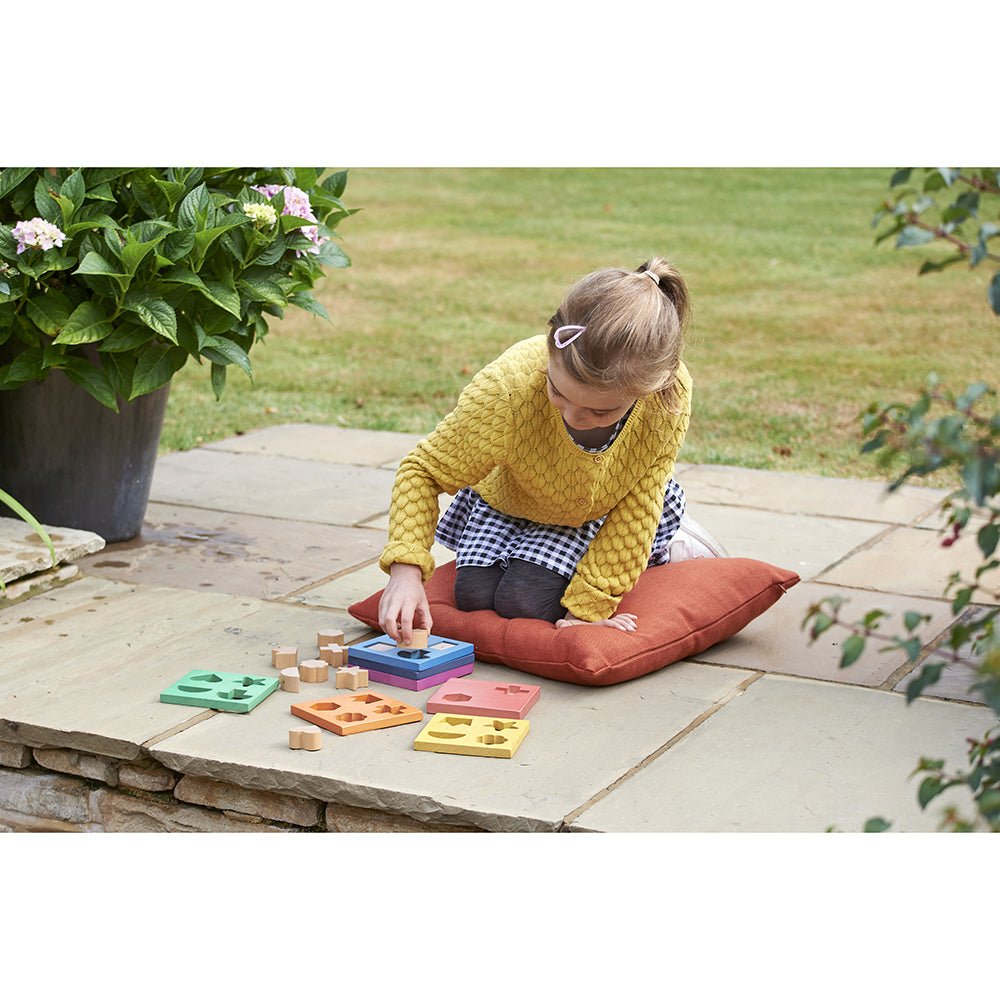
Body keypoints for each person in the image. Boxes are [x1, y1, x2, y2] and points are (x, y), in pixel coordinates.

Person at [377, 257, 726, 644]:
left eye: (600, 411)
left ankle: (671, 543)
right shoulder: (507, 388)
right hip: (515, 499)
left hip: (602, 507)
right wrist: (405, 571)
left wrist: (586, 611)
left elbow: (637, 506)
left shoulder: (667, 398)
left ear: (648, 388)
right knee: (474, 597)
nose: (574, 417)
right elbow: (423, 470)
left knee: (525, 601)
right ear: (550, 348)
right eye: (558, 392)